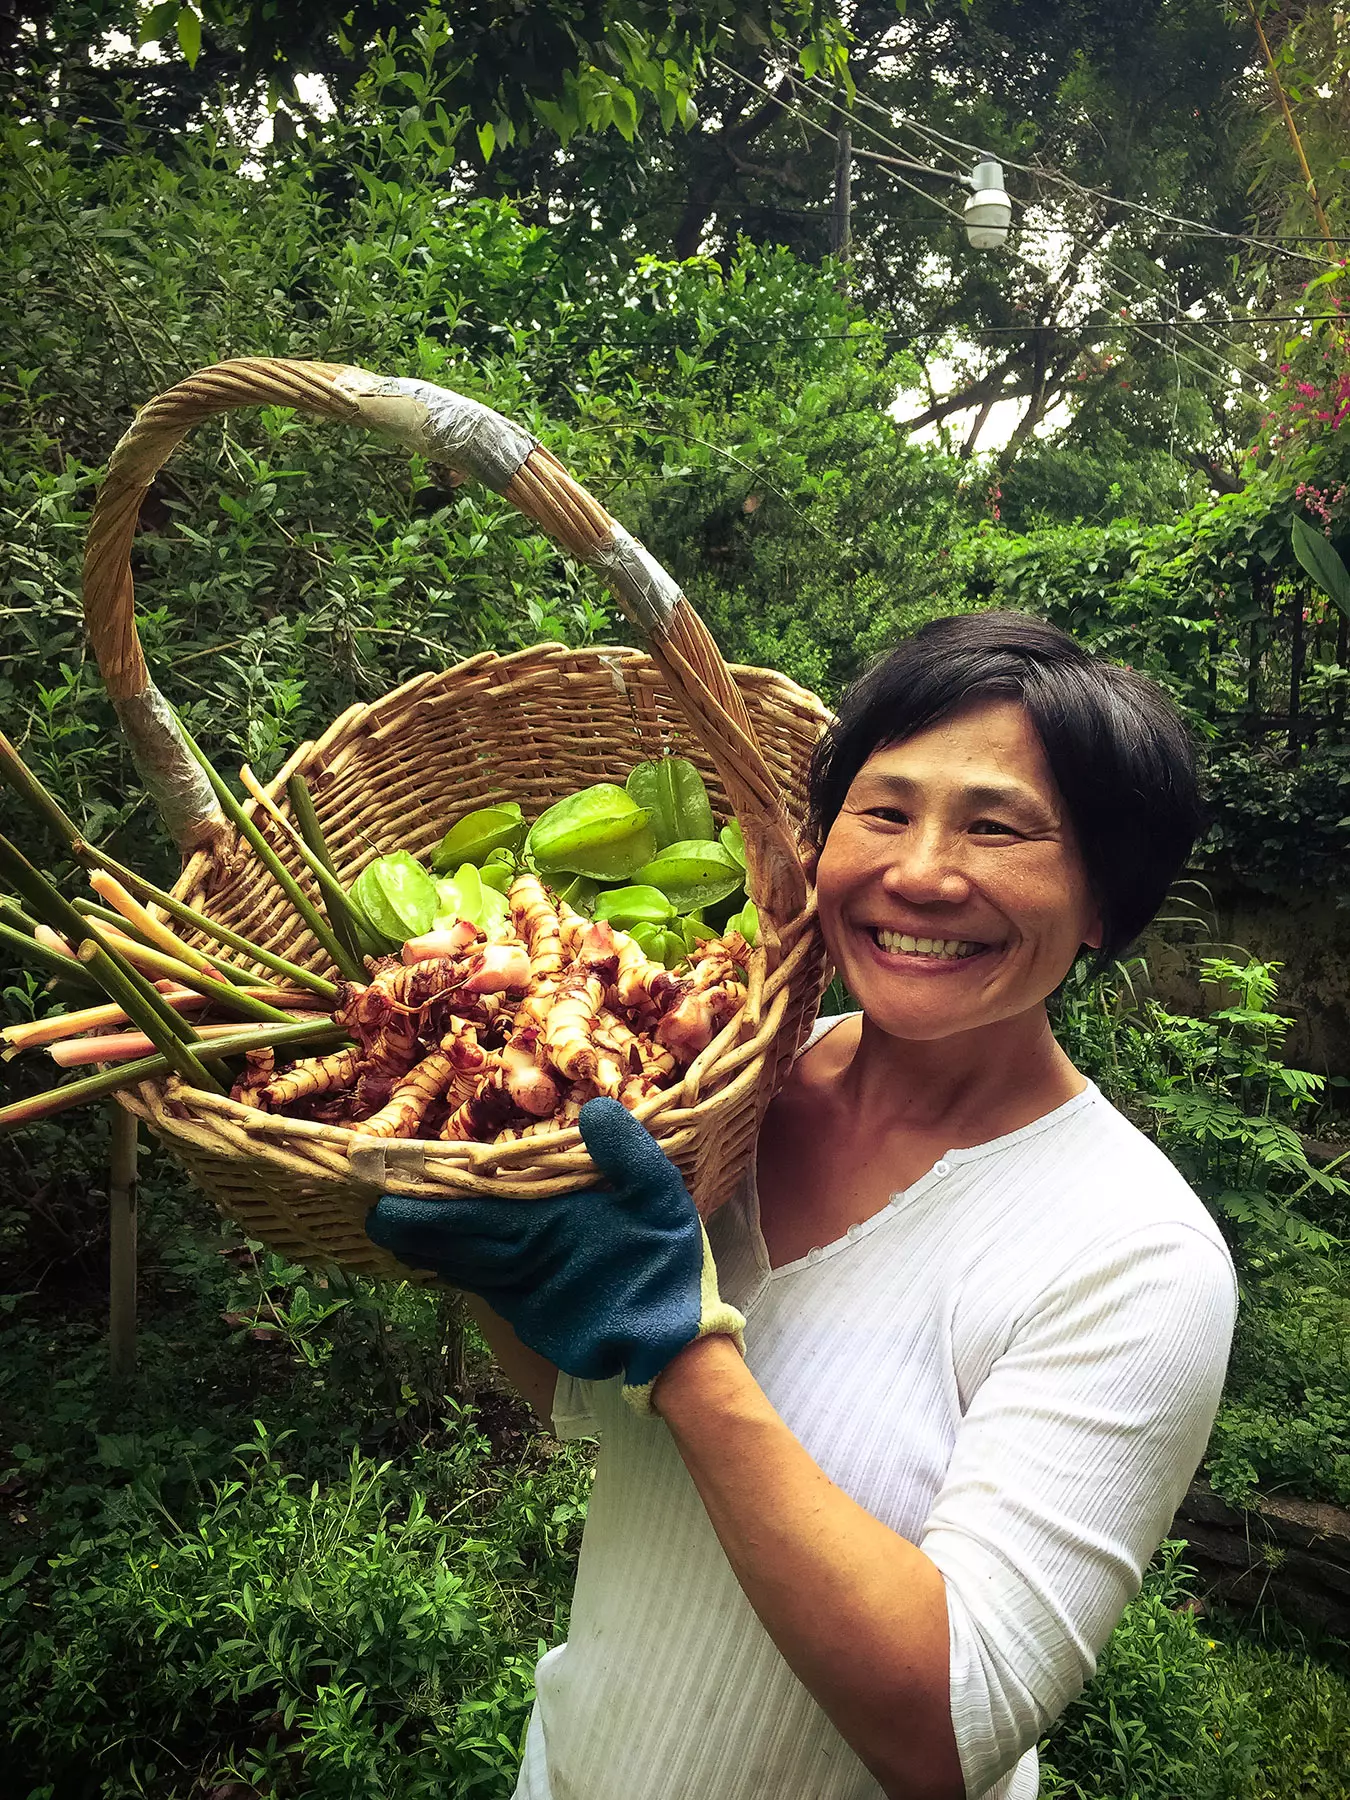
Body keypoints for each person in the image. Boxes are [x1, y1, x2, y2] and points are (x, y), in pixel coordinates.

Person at [367, 611, 1238, 1800]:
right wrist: (495, 1257)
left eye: (998, 828)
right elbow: (597, 1394)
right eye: (883, 813)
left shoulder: (1138, 1255)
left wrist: (691, 1358)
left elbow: (948, 1728)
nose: (920, 873)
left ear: (1102, 901)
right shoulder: (724, 1091)